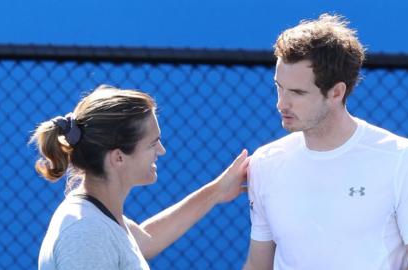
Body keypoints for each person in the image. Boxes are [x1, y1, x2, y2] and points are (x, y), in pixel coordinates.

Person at [244, 14, 408, 270]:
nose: (281, 103)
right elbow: (257, 265)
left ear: (336, 93)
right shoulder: (265, 163)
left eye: (297, 93)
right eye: (279, 87)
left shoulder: (402, 159)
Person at [31, 85, 249, 270]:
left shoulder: (99, 218)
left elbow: (146, 239)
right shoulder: (87, 233)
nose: (161, 150)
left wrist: (219, 189)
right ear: (118, 158)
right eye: (152, 144)